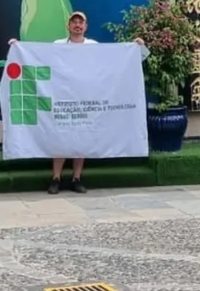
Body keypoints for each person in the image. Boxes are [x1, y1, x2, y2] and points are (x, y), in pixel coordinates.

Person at [8, 10, 144, 195]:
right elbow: (39, 59)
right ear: (68, 25)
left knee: (82, 138)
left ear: (86, 27)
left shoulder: (93, 46)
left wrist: (136, 48)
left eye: (81, 22)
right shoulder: (57, 45)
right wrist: (18, 47)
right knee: (60, 138)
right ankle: (56, 178)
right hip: (63, 98)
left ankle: (76, 178)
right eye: (74, 22)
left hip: (86, 98)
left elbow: (115, 62)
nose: (77, 25)